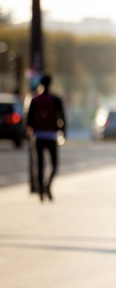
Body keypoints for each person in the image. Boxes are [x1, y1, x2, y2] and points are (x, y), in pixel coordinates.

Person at [26, 74, 66, 202]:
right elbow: (62, 117)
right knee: (54, 163)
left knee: (39, 164)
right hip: (51, 135)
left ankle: (41, 191)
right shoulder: (55, 99)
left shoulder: (34, 100)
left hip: (38, 135)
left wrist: (31, 131)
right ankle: (48, 185)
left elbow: (28, 120)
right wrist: (63, 132)